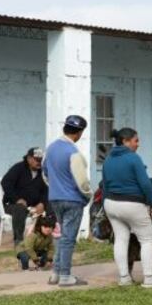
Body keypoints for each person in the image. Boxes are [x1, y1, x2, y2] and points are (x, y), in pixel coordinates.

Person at [101, 128, 152, 288]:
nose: (138, 144)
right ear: (126, 141)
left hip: (111, 203)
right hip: (132, 203)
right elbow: (146, 184)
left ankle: (124, 278)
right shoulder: (133, 158)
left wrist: (105, 207)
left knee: (120, 239)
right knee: (147, 240)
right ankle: (148, 279)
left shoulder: (108, 159)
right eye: (136, 140)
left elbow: (104, 185)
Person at [43, 115, 92, 288]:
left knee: (62, 236)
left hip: (55, 198)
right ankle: (65, 276)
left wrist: (55, 187)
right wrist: (88, 195)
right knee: (69, 239)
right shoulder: (73, 152)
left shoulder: (51, 148)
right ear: (79, 133)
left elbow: (45, 173)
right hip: (72, 199)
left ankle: (56, 273)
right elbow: (82, 181)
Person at [0, 147, 48, 246]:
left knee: (53, 204)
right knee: (20, 208)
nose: (39, 163)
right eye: (36, 160)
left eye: (41, 160)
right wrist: (17, 199)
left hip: (34, 204)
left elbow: (47, 189)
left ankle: (48, 238)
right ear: (29, 159)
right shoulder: (18, 168)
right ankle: (19, 240)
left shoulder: (43, 171)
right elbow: (5, 183)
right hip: (13, 204)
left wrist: (42, 203)